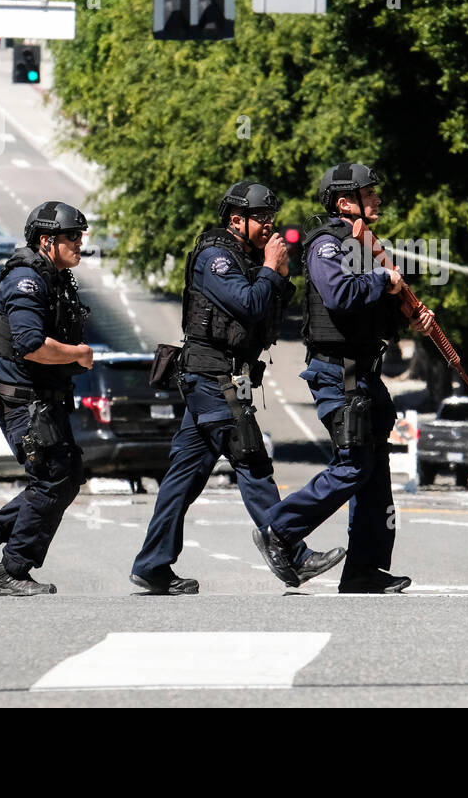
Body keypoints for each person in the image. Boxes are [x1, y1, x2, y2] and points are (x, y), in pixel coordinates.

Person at [131, 182, 345, 593]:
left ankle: (152, 564)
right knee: (251, 457)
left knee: (183, 478)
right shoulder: (215, 257)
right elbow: (246, 303)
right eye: (261, 219)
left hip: (222, 378)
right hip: (213, 377)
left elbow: (266, 311)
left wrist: (278, 275)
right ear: (236, 221)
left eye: (271, 218)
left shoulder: (245, 258)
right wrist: (270, 269)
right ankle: (292, 554)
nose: (269, 226)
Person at [252, 163, 434, 593]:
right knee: (353, 466)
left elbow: (373, 314)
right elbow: (339, 294)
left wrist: (412, 317)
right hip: (339, 373)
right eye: (367, 192)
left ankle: (363, 570)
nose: (377, 198)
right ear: (343, 201)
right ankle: (278, 529)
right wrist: (382, 280)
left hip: (366, 375)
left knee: (372, 472)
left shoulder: (368, 248)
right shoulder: (326, 246)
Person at [0, 202, 94, 595]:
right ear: (48, 240)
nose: (80, 243)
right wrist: (77, 354)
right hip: (23, 404)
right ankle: (12, 570)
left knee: (65, 479)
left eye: (81, 236)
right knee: (51, 480)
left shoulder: (54, 275)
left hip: (43, 400)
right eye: (72, 237)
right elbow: (29, 344)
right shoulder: (26, 279)